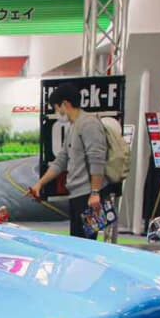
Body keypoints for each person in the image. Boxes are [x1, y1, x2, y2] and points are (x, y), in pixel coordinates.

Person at [25, 83, 108, 240]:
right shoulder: (73, 127)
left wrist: (95, 193)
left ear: (65, 104)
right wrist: (39, 184)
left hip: (89, 197)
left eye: (57, 108)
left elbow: (97, 160)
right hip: (77, 195)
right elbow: (61, 161)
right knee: (76, 241)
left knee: (87, 243)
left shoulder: (89, 124)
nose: (57, 113)